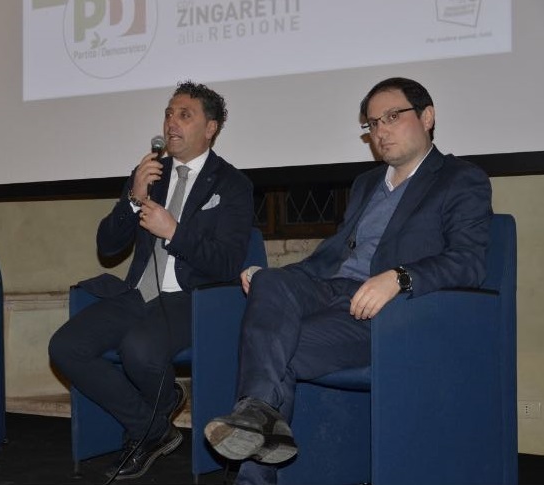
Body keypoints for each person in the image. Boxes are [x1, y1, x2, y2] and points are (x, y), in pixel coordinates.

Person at [204, 77, 492, 485]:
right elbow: (331, 257)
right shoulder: (366, 183)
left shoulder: (460, 179)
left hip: (390, 314)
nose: (380, 131)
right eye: (372, 124)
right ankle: (258, 416)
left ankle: (254, 464)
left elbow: (469, 262)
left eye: (392, 117)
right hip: (333, 292)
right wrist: (272, 278)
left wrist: (399, 278)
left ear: (427, 117)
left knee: (274, 350)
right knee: (269, 284)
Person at [49, 81, 254, 480]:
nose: (171, 123)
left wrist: (174, 231)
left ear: (210, 128)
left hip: (192, 298)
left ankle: (149, 422)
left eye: (185, 115)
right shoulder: (149, 175)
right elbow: (107, 245)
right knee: (66, 346)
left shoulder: (232, 185)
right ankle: (153, 427)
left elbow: (227, 263)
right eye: (168, 114)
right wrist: (133, 196)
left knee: (139, 348)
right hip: (137, 293)